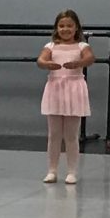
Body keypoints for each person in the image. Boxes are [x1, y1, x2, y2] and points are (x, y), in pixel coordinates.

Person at [36, 9, 94, 185]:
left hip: (74, 88)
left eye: (69, 25)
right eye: (61, 26)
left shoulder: (82, 46)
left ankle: (71, 171)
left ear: (76, 28)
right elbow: (40, 60)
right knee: (54, 134)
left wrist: (79, 63)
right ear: (56, 28)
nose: (65, 29)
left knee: (71, 134)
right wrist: (47, 64)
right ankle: (52, 170)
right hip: (55, 88)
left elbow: (90, 58)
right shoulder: (50, 46)